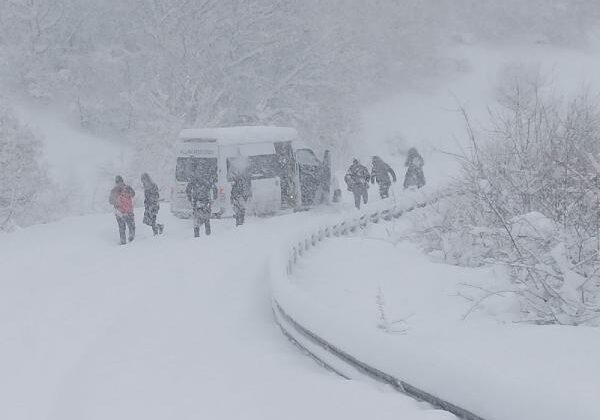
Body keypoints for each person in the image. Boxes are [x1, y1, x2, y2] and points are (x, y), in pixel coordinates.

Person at [109, 175, 135, 245]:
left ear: (116, 182)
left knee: (121, 227)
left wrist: (116, 200)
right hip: (129, 211)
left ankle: (123, 241)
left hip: (119, 212)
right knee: (131, 225)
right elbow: (133, 194)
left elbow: (110, 201)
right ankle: (132, 239)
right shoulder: (128, 188)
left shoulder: (114, 190)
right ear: (122, 181)